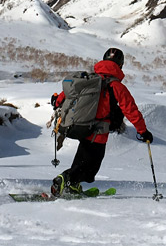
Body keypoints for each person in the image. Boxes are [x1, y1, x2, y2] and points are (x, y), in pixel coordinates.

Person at [50, 47, 152, 196]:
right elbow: (131, 110)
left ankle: (71, 185)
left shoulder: (89, 79)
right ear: (120, 65)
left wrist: (57, 101)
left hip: (80, 124)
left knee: (83, 158)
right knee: (91, 166)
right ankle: (65, 180)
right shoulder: (116, 86)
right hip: (98, 131)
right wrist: (143, 131)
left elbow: (66, 94)